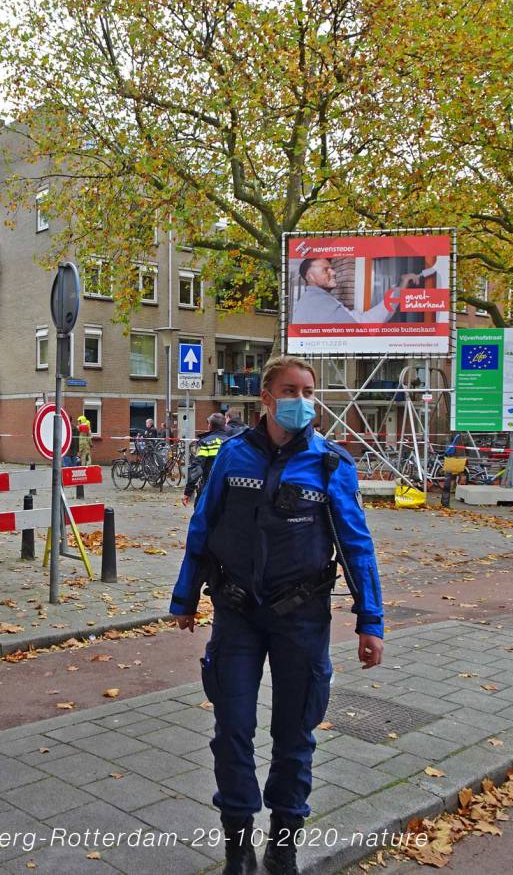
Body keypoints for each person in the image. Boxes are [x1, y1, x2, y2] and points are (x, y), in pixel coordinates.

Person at [169, 355, 384, 875]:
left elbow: (357, 547)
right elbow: (203, 526)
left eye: (308, 391)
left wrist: (370, 621)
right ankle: (238, 846)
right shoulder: (232, 455)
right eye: (291, 390)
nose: (302, 400)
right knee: (232, 729)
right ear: (266, 398)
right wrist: (186, 597)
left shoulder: (330, 463)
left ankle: (283, 843)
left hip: (302, 619)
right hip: (237, 613)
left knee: (295, 734)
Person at [291, 257, 398, 326]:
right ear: (310, 277)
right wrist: (399, 290)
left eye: (332, 269)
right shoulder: (319, 302)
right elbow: (364, 325)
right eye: (325, 270)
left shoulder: (311, 299)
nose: (334, 273)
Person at [182, 413, 229, 508]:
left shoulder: (206, 442)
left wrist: (188, 491)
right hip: (228, 489)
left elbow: (197, 467)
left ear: (210, 426)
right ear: (224, 425)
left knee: (201, 513)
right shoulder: (232, 442)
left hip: (209, 487)